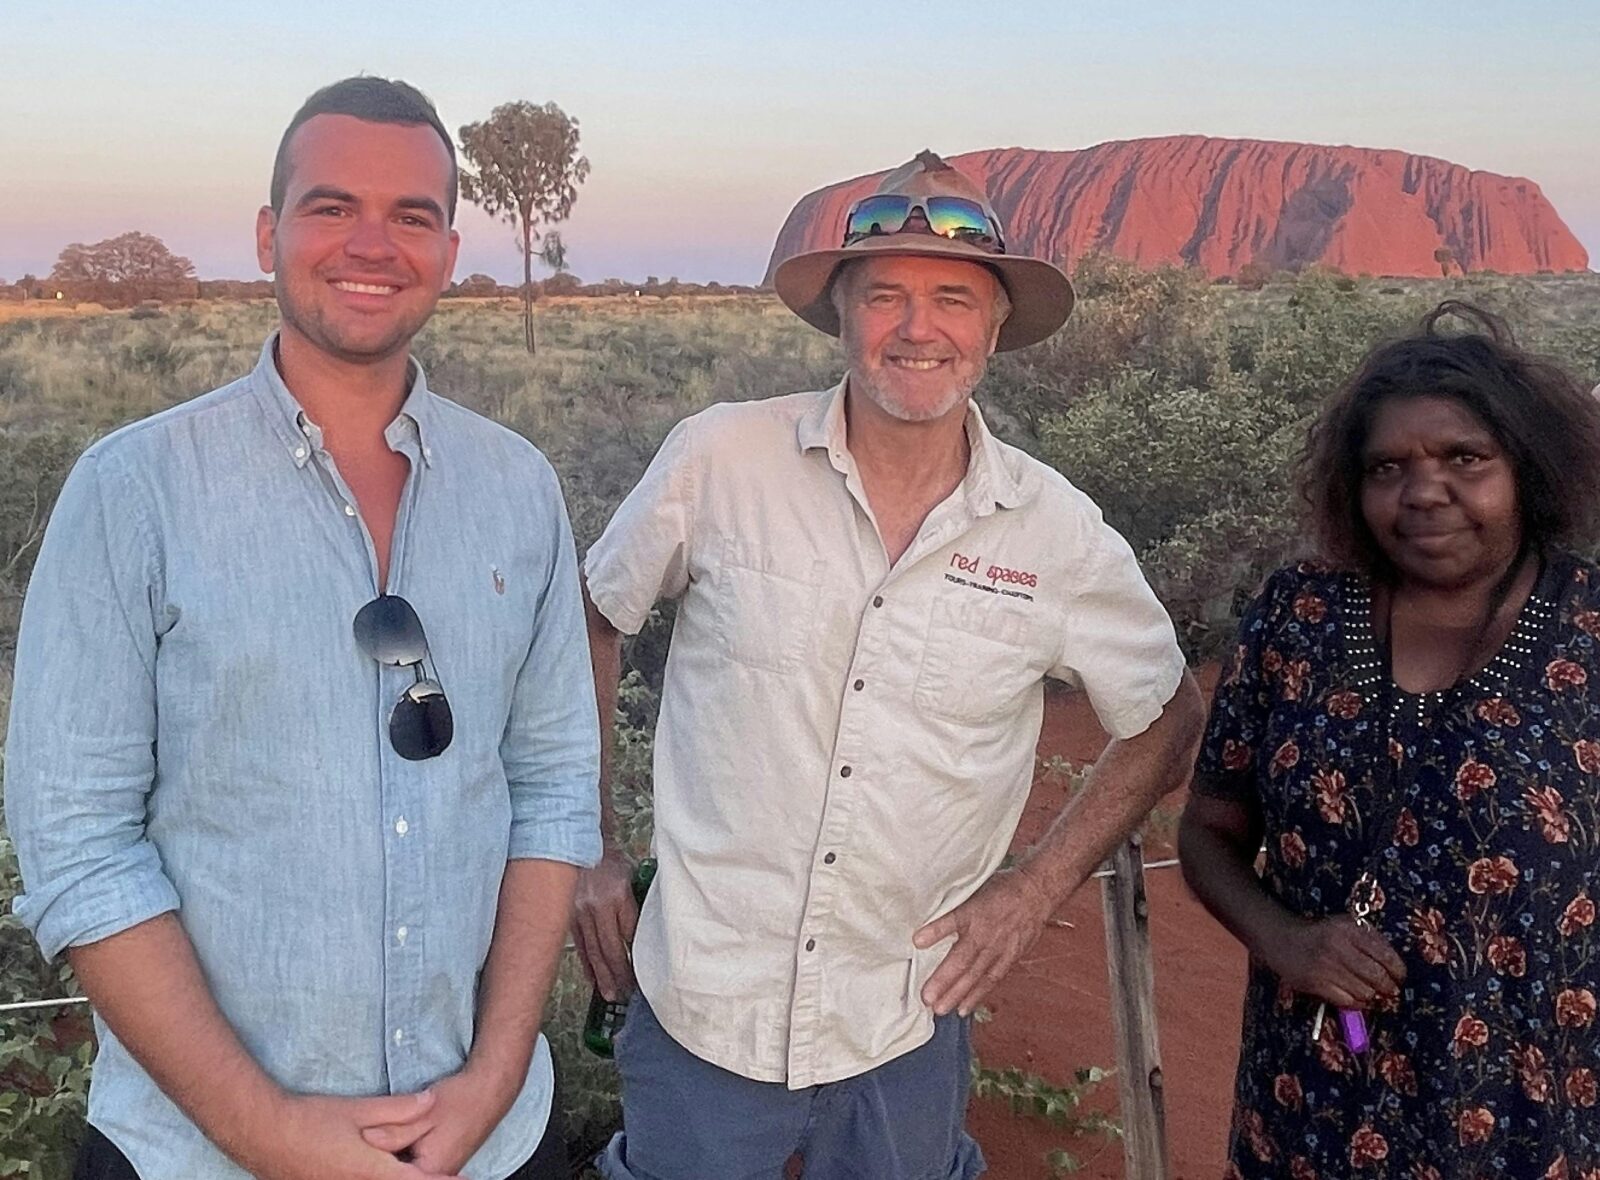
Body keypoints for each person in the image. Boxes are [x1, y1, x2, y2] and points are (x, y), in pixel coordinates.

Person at [4, 77, 600, 1180]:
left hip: (482, 1139)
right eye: (333, 207)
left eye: (411, 215)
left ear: (451, 249)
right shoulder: (135, 490)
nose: (372, 243)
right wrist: (269, 1132)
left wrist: (496, 1075)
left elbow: (553, 786)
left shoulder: (518, 488)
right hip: (201, 1153)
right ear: (272, 233)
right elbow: (81, 846)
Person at [574, 150, 1204, 1180]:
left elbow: (1166, 718)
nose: (919, 328)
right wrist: (586, 844)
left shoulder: (1056, 533)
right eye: (886, 296)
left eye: (953, 297)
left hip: (904, 1023)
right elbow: (594, 619)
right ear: (841, 316)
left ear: (993, 329)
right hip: (703, 1007)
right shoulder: (719, 459)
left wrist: (1036, 887)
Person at [1179, 302, 1600, 1178]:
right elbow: (1209, 833)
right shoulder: (1299, 614)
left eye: (1464, 458)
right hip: (1308, 1109)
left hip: (1531, 1123)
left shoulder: (1588, 633)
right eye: (1388, 467)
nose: (1423, 491)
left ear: (1525, 465)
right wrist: (1285, 939)